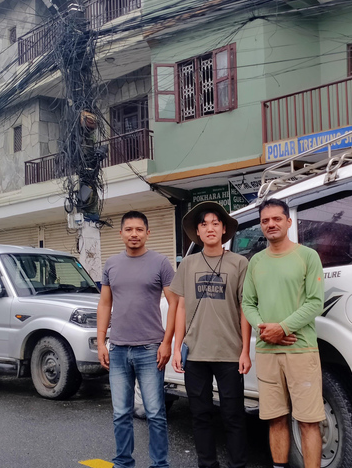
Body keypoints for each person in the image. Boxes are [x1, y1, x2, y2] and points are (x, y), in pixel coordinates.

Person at [242, 198, 325, 468]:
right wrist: (264, 329)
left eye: (276, 219)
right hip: (267, 351)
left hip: (301, 349)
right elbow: (247, 302)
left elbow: (315, 302)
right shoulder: (256, 261)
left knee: (308, 420)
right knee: (275, 418)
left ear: (288, 222)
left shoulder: (307, 256)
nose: (271, 224)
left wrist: (283, 328)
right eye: (265, 220)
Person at [170, 201, 252, 468]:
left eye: (215, 223)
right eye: (204, 224)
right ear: (198, 231)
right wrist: (176, 346)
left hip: (229, 352)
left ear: (224, 229)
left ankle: (237, 464)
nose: (210, 228)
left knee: (233, 415)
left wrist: (244, 351)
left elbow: (244, 309)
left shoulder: (240, 263)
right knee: (200, 414)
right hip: (195, 352)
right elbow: (181, 306)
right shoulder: (188, 263)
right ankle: (207, 464)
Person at [97, 210, 178, 468]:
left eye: (139, 230)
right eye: (129, 229)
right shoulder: (111, 264)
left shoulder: (161, 263)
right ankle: (123, 462)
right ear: (121, 233)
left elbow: (175, 303)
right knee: (121, 413)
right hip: (118, 348)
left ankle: (160, 464)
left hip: (150, 348)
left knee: (155, 413)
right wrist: (101, 342)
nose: (134, 234)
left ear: (147, 233)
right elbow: (104, 304)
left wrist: (167, 342)